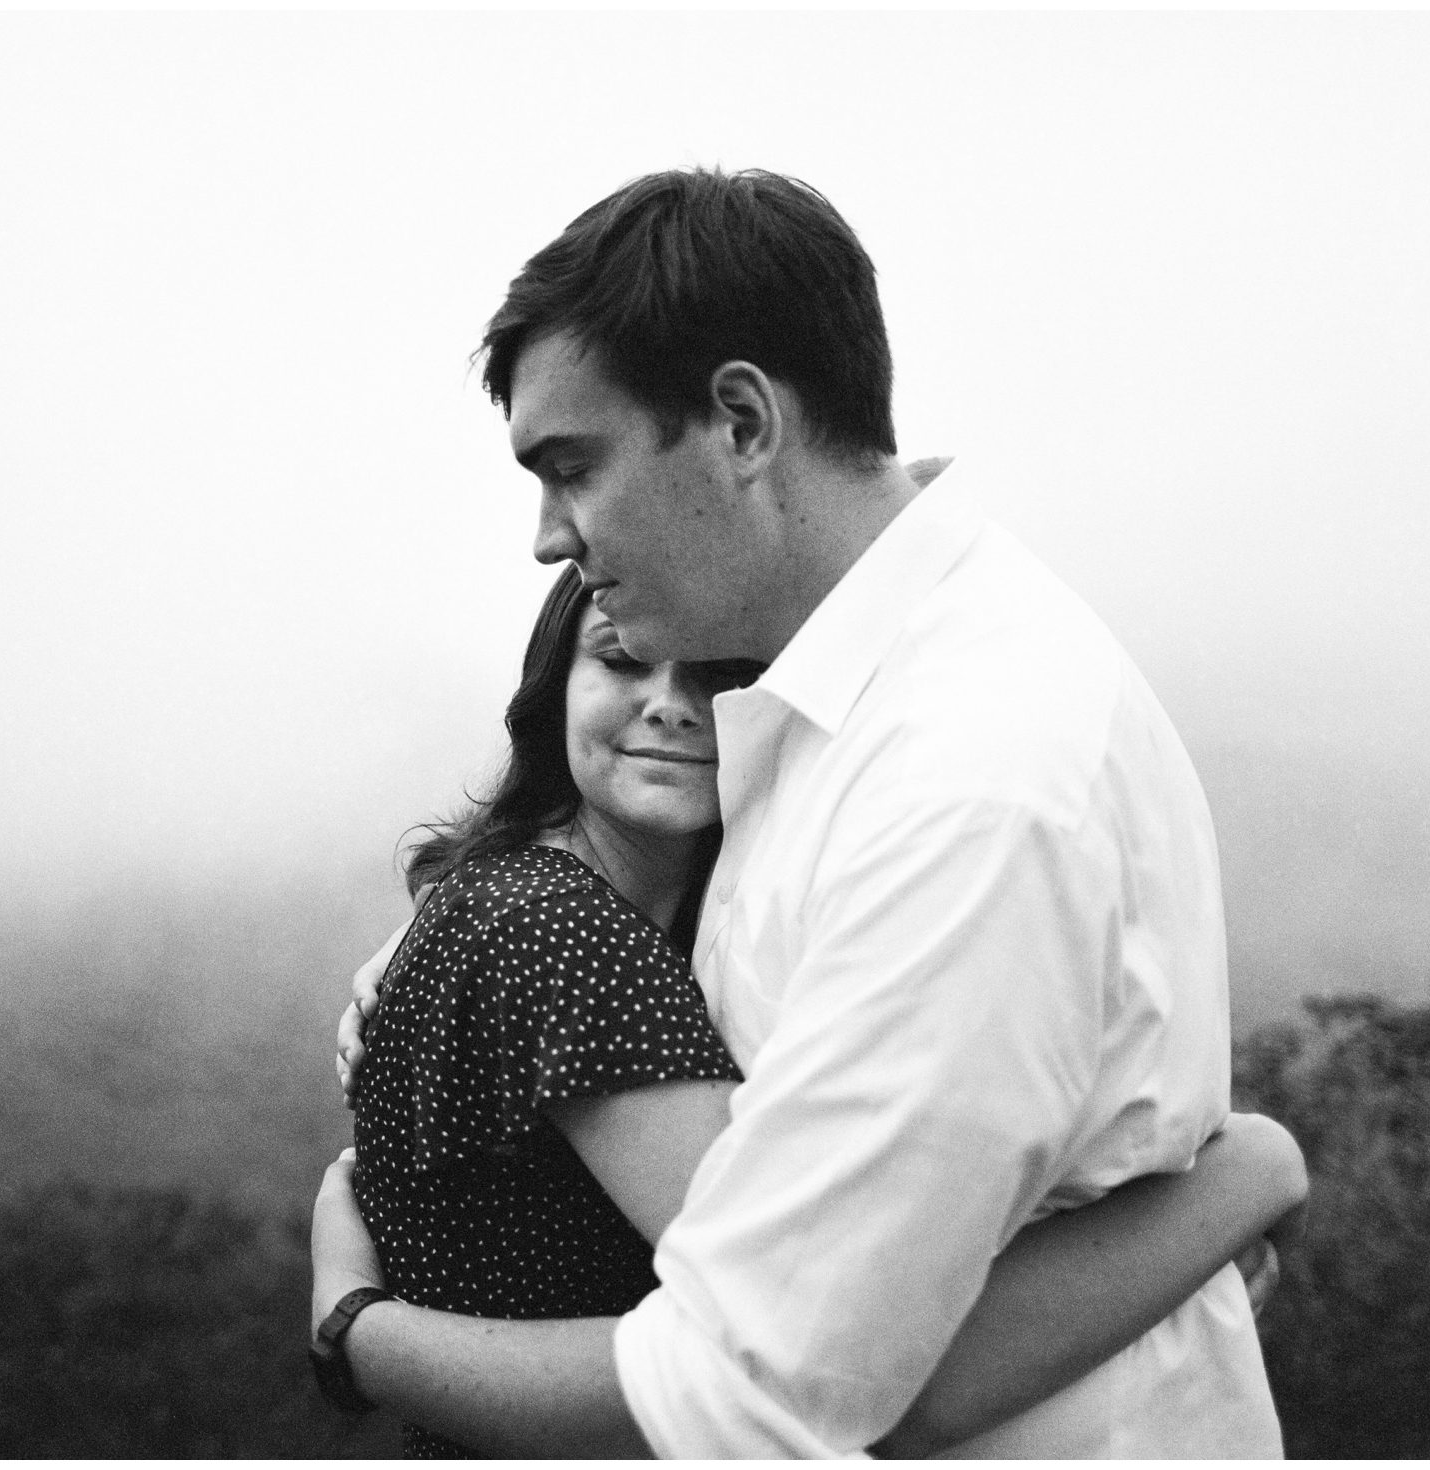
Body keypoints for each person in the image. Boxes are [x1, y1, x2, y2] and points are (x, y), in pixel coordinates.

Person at [312, 167, 1289, 1457]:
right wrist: (470, 946)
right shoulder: (821, 701)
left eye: (572, 467)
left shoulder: (965, 782)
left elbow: (772, 1389)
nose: (550, 537)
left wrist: (354, 1332)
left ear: (738, 422)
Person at [335, 564, 1305, 1457]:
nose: (670, 706)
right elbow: (843, 1329)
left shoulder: (580, 915)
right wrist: (1252, 1172)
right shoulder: (562, 931)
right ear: (553, 693)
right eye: (621, 661)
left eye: (718, 677)